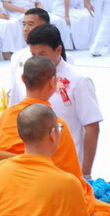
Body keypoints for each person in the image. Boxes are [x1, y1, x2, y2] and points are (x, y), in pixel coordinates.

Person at [0, 56, 110, 216]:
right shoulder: (56, 126)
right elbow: (73, 178)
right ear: (53, 83)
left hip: (10, 194)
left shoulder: (6, 116)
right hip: (47, 199)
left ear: (22, 79)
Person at [20, 25, 103, 177]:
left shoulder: (79, 81)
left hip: (67, 167)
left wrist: (85, 172)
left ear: (58, 50)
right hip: (31, 167)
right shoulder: (27, 77)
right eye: (33, 54)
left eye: (42, 54)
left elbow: (92, 127)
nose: (36, 60)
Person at [7, 8, 52, 104]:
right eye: (24, 24)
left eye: (30, 24)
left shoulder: (59, 57)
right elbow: (11, 91)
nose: (25, 29)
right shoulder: (17, 56)